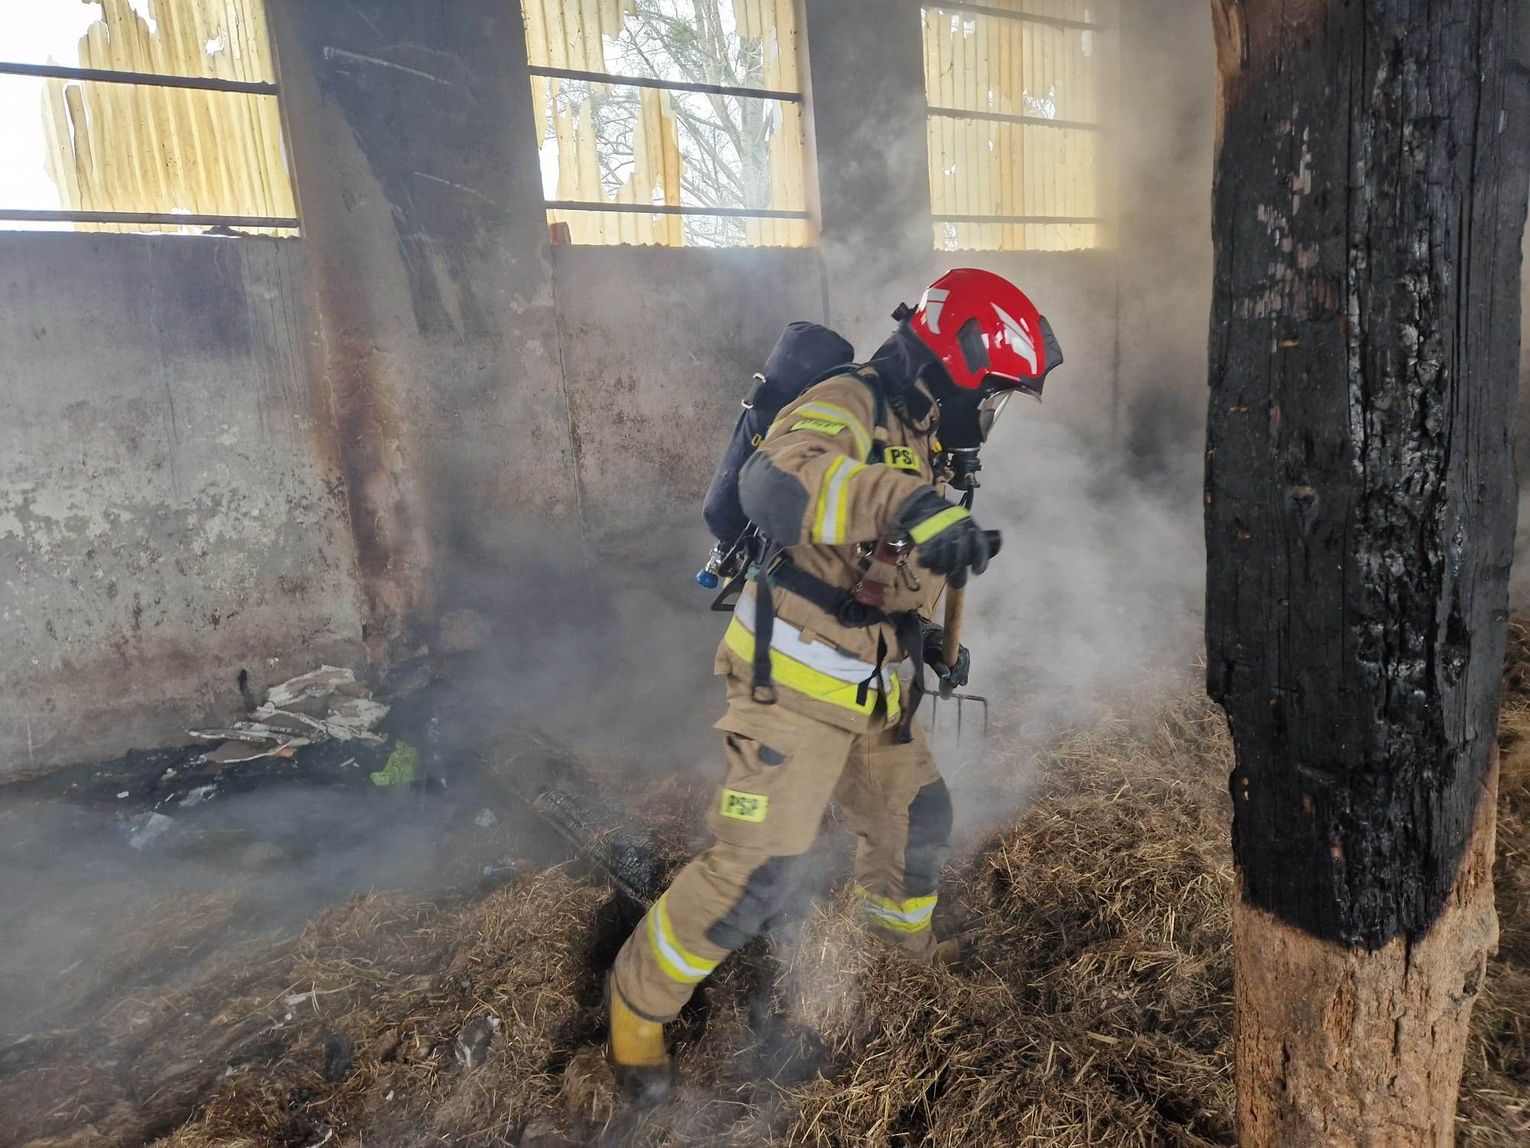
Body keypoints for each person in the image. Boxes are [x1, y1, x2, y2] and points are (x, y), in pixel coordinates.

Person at [607, 268, 1063, 1100]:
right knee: (753, 876)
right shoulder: (845, 402)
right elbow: (777, 484)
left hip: (872, 683)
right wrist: (910, 506)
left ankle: (898, 960)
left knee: (916, 819)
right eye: (993, 393)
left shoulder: (922, 429)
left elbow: (875, 569)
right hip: (793, 682)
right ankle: (636, 1008)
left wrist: (928, 636)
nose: (992, 413)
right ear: (956, 366)